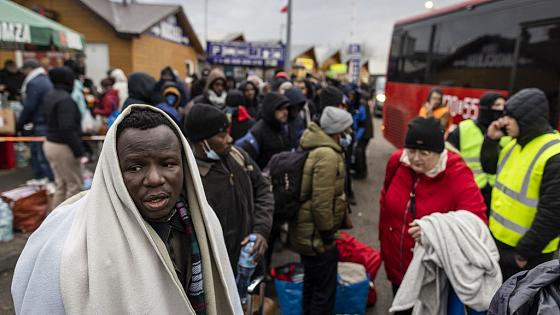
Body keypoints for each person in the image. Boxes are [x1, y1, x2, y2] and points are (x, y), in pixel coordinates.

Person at [12, 106, 242, 314]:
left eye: (168, 163)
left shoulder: (203, 222)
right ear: (112, 172)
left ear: (185, 167)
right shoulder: (69, 243)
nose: (154, 179)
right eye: (135, 167)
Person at [379, 117, 487, 315]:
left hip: (432, 274)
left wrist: (434, 229)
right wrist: (384, 245)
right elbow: (385, 201)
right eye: (411, 151)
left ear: (439, 152)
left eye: (424, 153)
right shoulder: (398, 161)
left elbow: (477, 223)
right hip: (396, 263)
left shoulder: (457, 173)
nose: (415, 158)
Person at [183, 104, 273, 274]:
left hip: (249, 260)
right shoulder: (190, 178)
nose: (230, 139)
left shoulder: (237, 156)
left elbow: (263, 188)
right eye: (222, 135)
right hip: (219, 271)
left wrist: (261, 230)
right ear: (203, 142)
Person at [481, 88, 560, 281]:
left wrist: (524, 253)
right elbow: (490, 167)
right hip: (499, 244)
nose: (503, 121)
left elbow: (553, 213)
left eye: (510, 116)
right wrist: (491, 140)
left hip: (527, 255)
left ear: (526, 119)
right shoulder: (513, 144)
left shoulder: (554, 153)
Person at [289, 106, 353, 315]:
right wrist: (327, 234)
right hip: (317, 237)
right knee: (323, 294)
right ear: (338, 131)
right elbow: (321, 202)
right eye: (347, 130)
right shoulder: (327, 155)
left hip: (306, 232)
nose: (350, 134)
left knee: (312, 284)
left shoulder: (316, 146)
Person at [447, 93, 509, 210]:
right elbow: (449, 157)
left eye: (503, 105)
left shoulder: (507, 132)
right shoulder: (464, 128)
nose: (501, 109)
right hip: (470, 191)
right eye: (497, 105)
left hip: (498, 194)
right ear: (485, 108)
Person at [42, 67, 84, 208]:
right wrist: (79, 151)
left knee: (62, 184)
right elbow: (67, 128)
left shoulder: (50, 95)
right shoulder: (65, 100)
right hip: (63, 146)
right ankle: (70, 224)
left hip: (50, 143)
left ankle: (55, 221)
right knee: (75, 185)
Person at [16, 59, 54, 181]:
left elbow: (29, 106)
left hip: (39, 122)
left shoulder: (34, 83)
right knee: (44, 155)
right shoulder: (45, 80)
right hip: (47, 121)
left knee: (40, 155)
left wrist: (20, 124)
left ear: (29, 69)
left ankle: (44, 181)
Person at [235, 92, 292, 169]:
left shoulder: (283, 128)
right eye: (280, 109)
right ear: (271, 109)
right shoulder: (257, 133)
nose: (285, 112)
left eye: (286, 108)